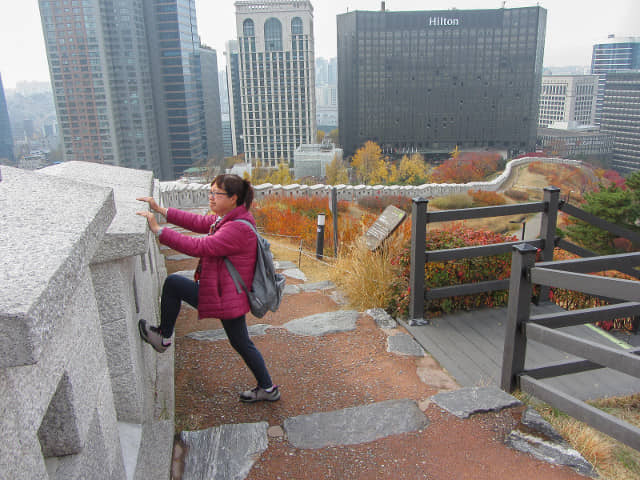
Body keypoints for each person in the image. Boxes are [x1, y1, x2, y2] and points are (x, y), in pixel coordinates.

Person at [136, 174, 280, 403]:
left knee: (173, 284)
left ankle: (163, 337)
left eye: (216, 193)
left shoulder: (236, 228)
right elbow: (197, 222)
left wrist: (159, 231)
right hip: (229, 294)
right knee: (242, 343)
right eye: (210, 192)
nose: (211, 198)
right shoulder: (229, 219)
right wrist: (161, 211)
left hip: (225, 296)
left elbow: (199, 246)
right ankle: (268, 389)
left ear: (233, 198)